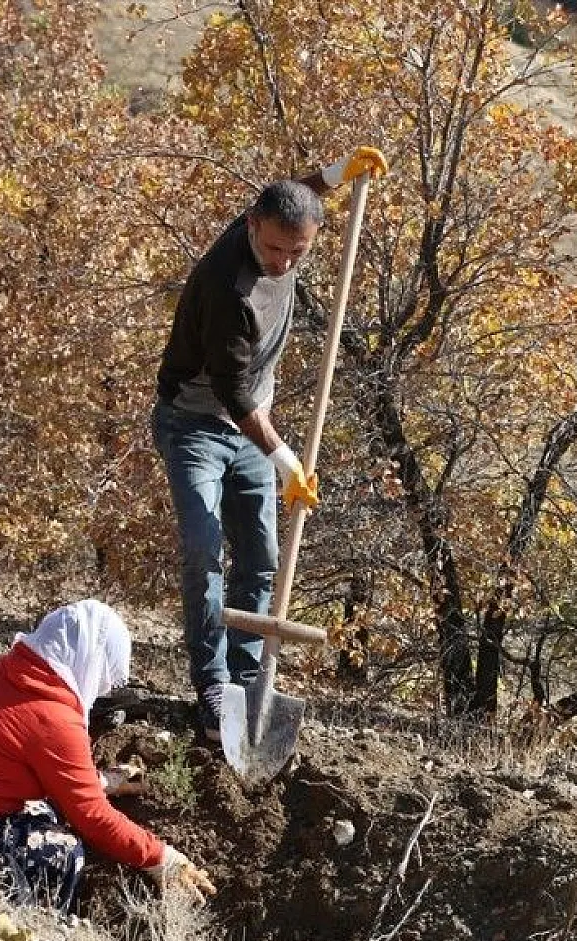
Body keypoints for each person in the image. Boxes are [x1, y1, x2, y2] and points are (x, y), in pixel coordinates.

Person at [153, 147, 388, 743]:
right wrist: (286, 460)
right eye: (275, 249)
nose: (283, 263)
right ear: (252, 226)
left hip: (253, 428)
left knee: (260, 556)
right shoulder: (226, 286)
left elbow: (295, 195)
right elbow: (233, 394)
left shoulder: (277, 218)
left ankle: (246, 676)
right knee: (206, 548)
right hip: (197, 426)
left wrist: (338, 175)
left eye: (297, 252)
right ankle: (210, 683)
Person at [0, 599, 215, 912]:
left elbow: (13, 759)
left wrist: (103, 781)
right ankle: (29, 920)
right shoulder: (54, 718)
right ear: (90, 660)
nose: (104, 686)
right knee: (62, 852)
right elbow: (92, 817)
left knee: (42, 808)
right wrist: (162, 858)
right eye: (105, 674)